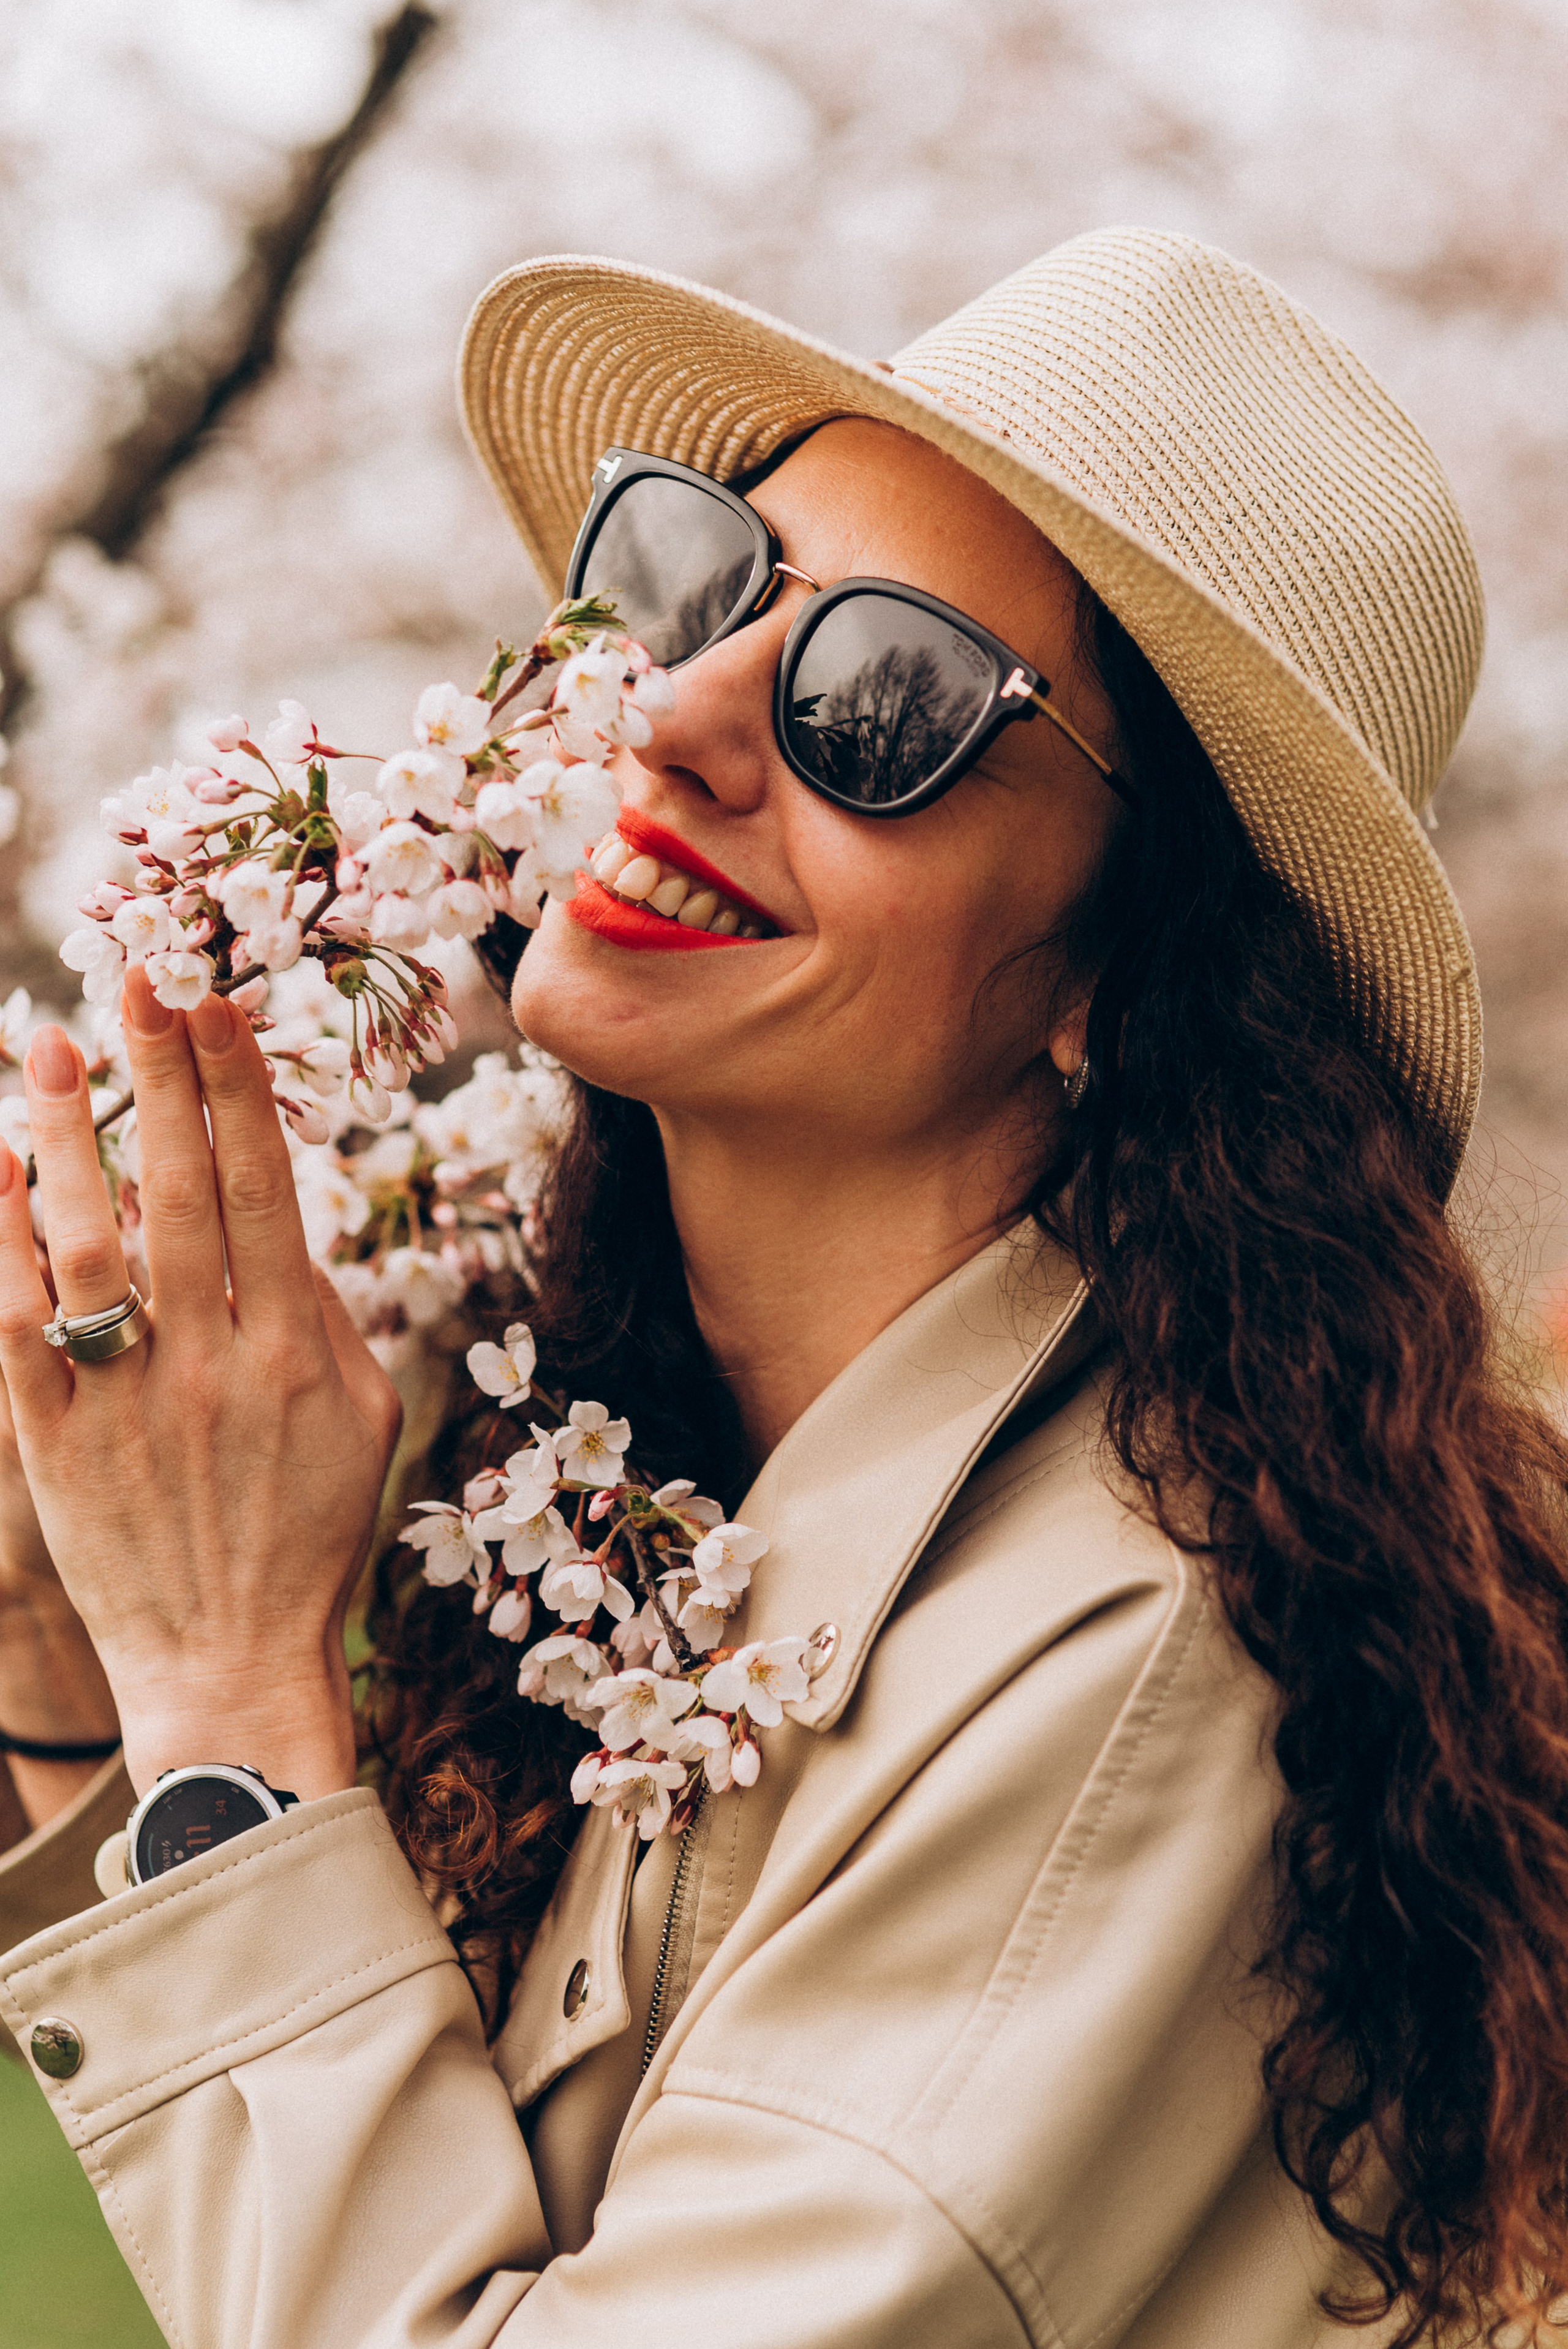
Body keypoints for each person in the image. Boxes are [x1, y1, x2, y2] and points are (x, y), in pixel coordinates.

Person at [1, 227, 1566, 2349]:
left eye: (889, 701)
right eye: (696, 578)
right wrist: (76, 1663)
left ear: (1130, 972)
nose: (681, 709)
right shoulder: (658, 1507)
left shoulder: (1142, 1660)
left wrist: (227, 1698)